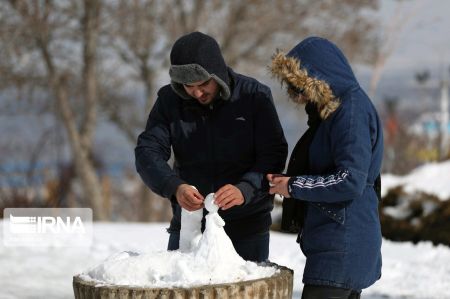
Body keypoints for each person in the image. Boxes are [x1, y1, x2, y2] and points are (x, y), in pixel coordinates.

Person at [135, 31, 288, 262]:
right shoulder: (168, 100)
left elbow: (273, 154)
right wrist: (175, 187)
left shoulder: (254, 96)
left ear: (217, 74)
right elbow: (147, 152)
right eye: (188, 86)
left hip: (247, 228)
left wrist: (245, 189)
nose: (197, 92)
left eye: (204, 83)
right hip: (189, 225)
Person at [267, 37, 383, 298]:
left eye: (301, 86)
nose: (300, 95)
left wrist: (294, 186)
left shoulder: (349, 111)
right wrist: (290, 181)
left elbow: (350, 179)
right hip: (339, 238)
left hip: (343, 241)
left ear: (318, 77)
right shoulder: (337, 110)